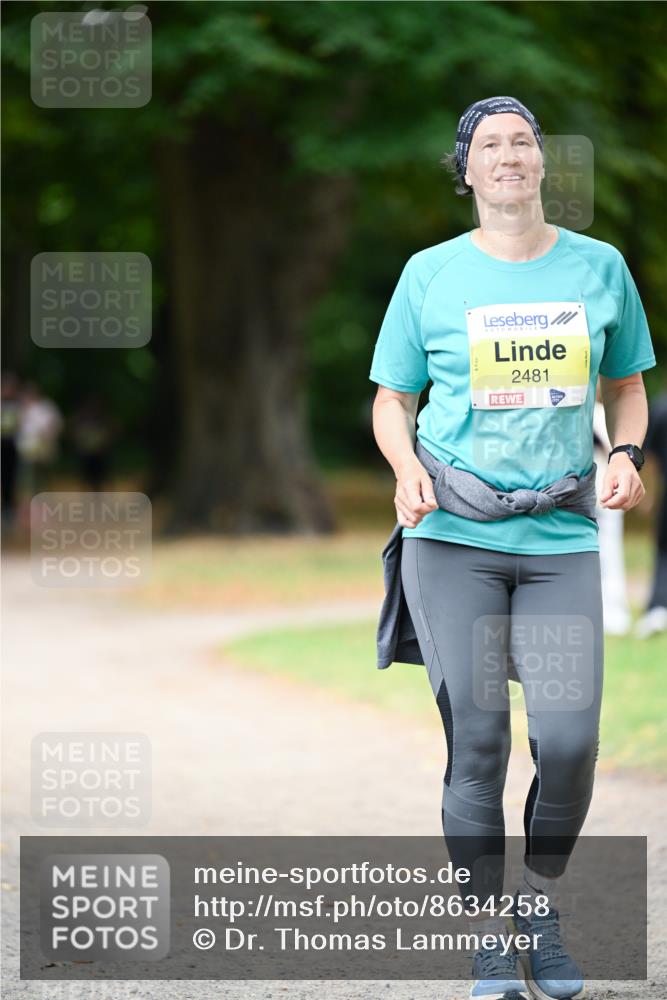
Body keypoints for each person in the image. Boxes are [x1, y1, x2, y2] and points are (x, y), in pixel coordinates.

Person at [369, 96, 655, 1000]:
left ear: (541, 163)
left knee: (568, 743)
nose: (508, 156)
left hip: (561, 538)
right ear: (466, 170)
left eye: (522, 142)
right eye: (489, 145)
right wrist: (403, 466)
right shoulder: (429, 275)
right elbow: (392, 399)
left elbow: (627, 386)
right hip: (451, 538)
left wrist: (628, 453)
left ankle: (536, 904)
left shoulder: (598, 267)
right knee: (480, 745)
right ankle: (484, 936)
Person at [592, 380, 632, 634]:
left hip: (606, 491)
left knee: (610, 552)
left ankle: (616, 611)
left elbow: (615, 451)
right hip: (586, 493)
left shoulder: (603, 415)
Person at [633, 384, 667, 637]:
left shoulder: (660, 406)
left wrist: (650, 496)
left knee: (663, 551)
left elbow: (651, 459)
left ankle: (658, 606)